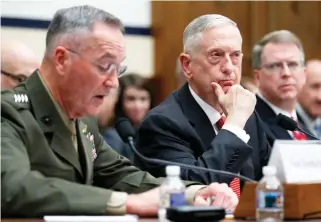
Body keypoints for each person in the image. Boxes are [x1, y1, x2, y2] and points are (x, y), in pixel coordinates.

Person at [1, 5, 238, 217]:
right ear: (62, 59)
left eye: (118, 69)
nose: (114, 83)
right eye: (105, 66)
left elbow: (120, 175)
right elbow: (13, 187)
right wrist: (126, 203)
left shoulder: (83, 119)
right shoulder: (8, 111)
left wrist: (192, 192)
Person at [135, 14, 271, 199]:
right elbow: (196, 189)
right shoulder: (162, 123)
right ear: (187, 65)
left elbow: (271, 179)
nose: (229, 68)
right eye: (216, 55)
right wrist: (234, 125)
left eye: (235, 55)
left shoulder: (246, 114)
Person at [252, 30, 315, 144]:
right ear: (257, 77)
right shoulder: (250, 121)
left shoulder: (303, 124)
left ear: (304, 74)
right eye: (275, 66)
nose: (286, 73)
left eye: (292, 64)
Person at [100, 73, 153, 162]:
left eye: (143, 99)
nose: (137, 106)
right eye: (131, 99)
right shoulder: (112, 135)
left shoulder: (155, 130)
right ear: (119, 102)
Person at [297, 59, 321, 138]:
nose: (319, 97)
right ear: (299, 86)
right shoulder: (287, 125)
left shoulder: (317, 123)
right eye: (315, 87)